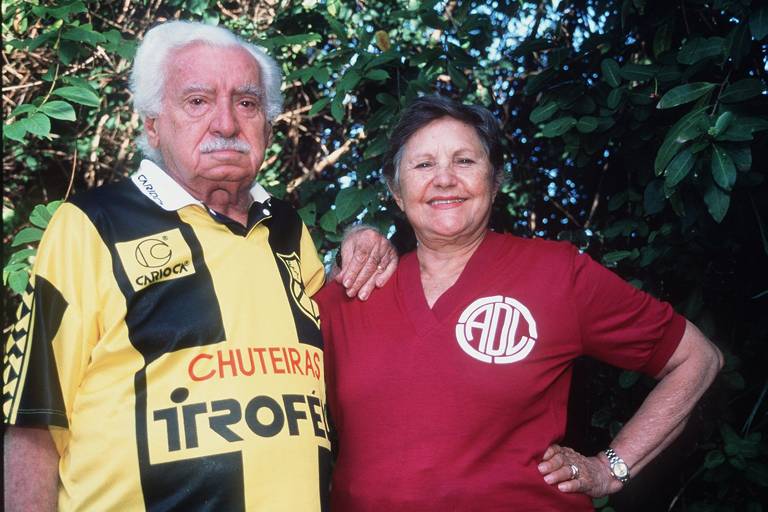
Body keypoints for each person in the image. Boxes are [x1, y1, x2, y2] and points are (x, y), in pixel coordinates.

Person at [2, 21, 396, 511]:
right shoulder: (91, 225)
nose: (227, 124)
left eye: (247, 103)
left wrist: (365, 243)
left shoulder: (287, 230)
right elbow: (34, 419)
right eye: (198, 101)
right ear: (152, 123)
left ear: (268, 126)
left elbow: (346, 345)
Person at [317, 95, 724, 511]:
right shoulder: (346, 296)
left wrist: (610, 468)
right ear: (396, 190)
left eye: (465, 161)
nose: (444, 179)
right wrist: (357, 235)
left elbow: (696, 359)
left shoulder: (556, 273)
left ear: (495, 181)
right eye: (423, 165)